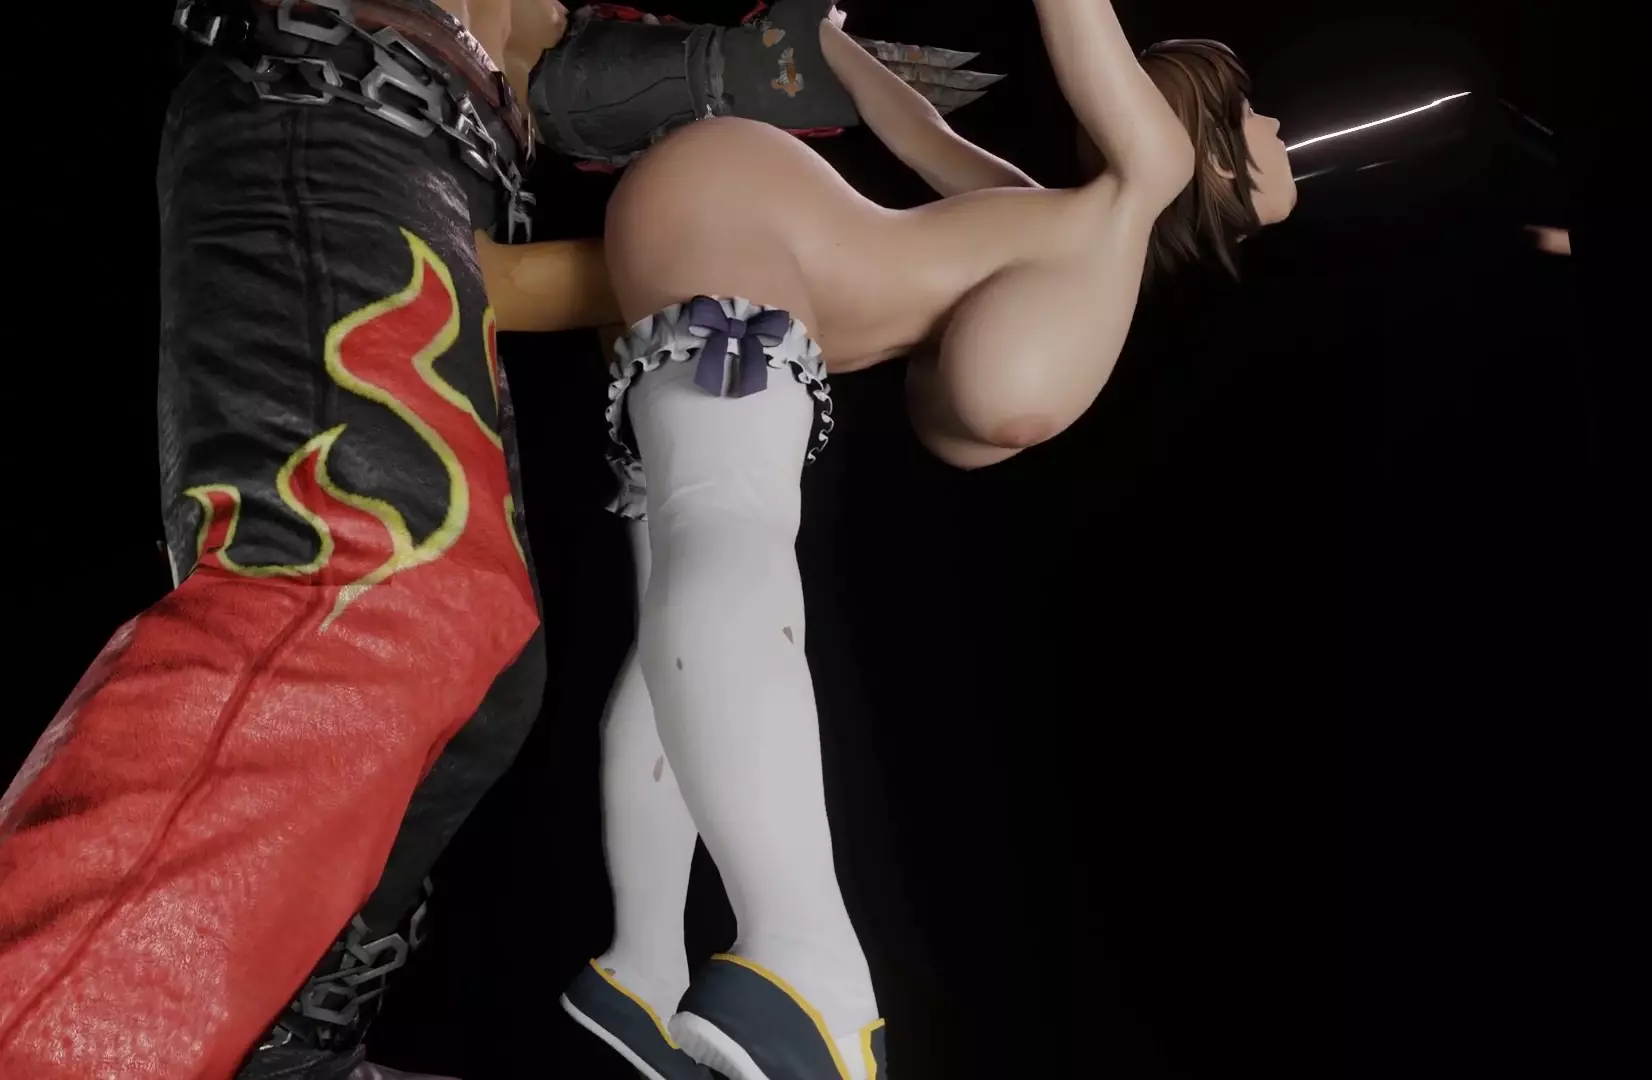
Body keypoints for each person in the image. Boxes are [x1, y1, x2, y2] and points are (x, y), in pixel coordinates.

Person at [0, 1, 992, 1077]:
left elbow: (551, 91)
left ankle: (276, 1036)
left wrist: (762, 203)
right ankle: (67, 1036)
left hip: (430, 168)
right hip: (335, 101)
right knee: (368, 584)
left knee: (486, 673)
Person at [553, 6, 1296, 1078]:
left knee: (686, 591)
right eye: (1260, 112)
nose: (1278, 127)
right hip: (746, 225)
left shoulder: (1052, 221)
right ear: (1208, 140)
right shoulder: (1144, 174)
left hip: (742, 231)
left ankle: (643, 972)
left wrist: (832, 42)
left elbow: (918, 133)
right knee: (733, 541)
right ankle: (797, 957)